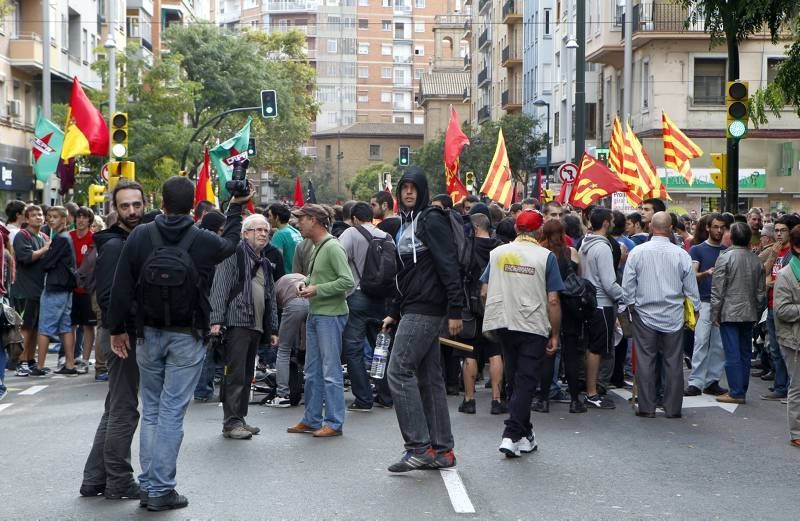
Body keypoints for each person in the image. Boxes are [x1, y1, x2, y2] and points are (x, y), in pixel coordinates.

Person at [106, 176, 250, 511]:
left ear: (162, 204)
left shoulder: (141, 234)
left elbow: (122, 283)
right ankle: (161, 489)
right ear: (193, 206)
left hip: (148, 333)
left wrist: (117, 328)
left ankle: (149, 484)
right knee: (171, 411)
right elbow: (230, 244)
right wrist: (236, 208)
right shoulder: (201, 239)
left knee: (152, 409)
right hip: (187, 335)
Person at [381, 166, 463, 472]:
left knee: (398, 372)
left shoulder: (430, 219)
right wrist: (394, 310)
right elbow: (407, 274)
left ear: (423, 190)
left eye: (414, 187)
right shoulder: (408, 223)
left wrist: (456, 308)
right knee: (429, 379)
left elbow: (448, 264)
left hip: (427, 307)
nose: (409, 192)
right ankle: (443, 450)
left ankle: (418, 447)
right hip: (414, 306)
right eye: (404, 188)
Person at [81, 180, 146, 501]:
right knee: (124, 409)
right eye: (125, 206)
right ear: (114, 210)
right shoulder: (114, 244)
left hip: (122, 331)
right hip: (121, 334)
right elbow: (107, 296)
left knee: (115, 407)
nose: (132, 211)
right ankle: (119, 481)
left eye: (137, 204)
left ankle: (94, 478)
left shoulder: (131, 238)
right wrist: (118, 330)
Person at [482, 210, 563, 457]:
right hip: (532, 324)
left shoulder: (497, 253)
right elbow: (553, 300)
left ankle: (526, 434)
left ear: (517, 229)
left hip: (504, 322)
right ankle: (512, 433)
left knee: (516, 377)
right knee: (526, 380)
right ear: (539, 231)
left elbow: (484, 290)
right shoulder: (545, 256)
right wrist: (555, 334)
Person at [622, 212, 700, 418]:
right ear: (671, 229)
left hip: (644, 313)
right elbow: (691, 289)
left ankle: (647, 407)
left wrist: (629, 306)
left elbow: (628, 286)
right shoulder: (681, 254)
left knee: (646, 361)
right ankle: (673, 408)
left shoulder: (637, 253)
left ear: (650, 228)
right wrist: (696, 311)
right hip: (673, 315)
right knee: (673, 362)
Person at [286, 204, 354, 438]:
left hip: (330, 315)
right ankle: (312, 419)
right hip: (317, 314)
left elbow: (348, 282)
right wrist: (304, 282)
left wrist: (317, 289)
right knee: (312, 371)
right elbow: (318, 276)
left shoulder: (332, 247)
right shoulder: (317, 246)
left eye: (301, 219)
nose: (298, 223)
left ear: (314, 220)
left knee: (330, 371)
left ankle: (334, 422)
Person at [209, 213, 279, 440]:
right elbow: (220, 288)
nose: (262, 234)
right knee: (235, 374)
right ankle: (231, 422)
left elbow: (271, 297)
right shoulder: (234, 255)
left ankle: (240, 418)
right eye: (257, 230)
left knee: (247, 373)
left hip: (255, 324)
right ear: (244, 233)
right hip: (236, 322)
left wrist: (274, 328)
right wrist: (216, 320)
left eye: (265, 230)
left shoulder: (264, 262)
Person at [338, 202, 390, 412]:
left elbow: (338, 259)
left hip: (357, 296)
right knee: (380, 348)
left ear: (354, 218)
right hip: (381, 299)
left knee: (353, 349)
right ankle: (386, 396)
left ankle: (363, 398)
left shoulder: (351, 233)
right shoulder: (385, 236)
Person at [711, 222, 767, 405]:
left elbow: (717, 290)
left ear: (732, 237)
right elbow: (761, 292)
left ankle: (736, 391)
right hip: (749, 311)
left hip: (729, 311)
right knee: (744, 352)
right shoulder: (756, 260)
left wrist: (715, 314)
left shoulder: (725, 258)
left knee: (732, 353)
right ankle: (741, 389)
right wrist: (757, 312)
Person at [458, 213, 505, 415]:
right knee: (495, 352)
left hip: (470, 305)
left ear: (476, 227)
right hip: (494, 304)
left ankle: (469, 400)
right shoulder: (500, 248)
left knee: (469, 351)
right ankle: (496, 400)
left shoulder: (467, 246)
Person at [538, 219, 585, 413]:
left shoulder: (541, 254)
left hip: (549, 307)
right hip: (572, 308)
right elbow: (579, 278)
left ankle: (543, 399)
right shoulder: (571, 252)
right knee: (571, 354)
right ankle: (575, 401)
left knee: (549, 352)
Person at [578, 208, 623, 409]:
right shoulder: (603, 248)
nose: (613, 223)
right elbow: (608, 282)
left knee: (590, 349)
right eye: (611, 220)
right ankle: (592, 392)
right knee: (597, 350)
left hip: (588, 301)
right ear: (606, 223)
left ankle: (589, 388)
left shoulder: (584, 245)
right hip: (602, 304)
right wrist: (626, 297)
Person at [684, 214, 728, 397]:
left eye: (722, 227)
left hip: (721, 303)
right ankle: (696, 381)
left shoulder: (727, 251)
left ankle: (712, 380)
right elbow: (692, 276)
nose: (719, 230)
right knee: (701, 342)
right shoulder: (697, 250)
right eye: (716, 227)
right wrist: (706, 273)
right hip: (703, 301)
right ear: (708, 228)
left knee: (719, 345)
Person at [761, 214, 800, 398]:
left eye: (782, 230)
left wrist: (772, 282)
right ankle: (780, 385)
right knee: (775, 348)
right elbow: (764, 275)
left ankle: (786, 388)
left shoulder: (793, 254)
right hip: (771, 305)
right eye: (776, 230)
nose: (778, 234)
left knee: (786, 348)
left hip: (787, 306)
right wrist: (773, 255)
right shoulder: (773, 250)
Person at [37, 206, 78, 376]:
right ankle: (69, 364)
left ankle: (39, 366)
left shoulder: (60, 239)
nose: (50, 220)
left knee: (45, 327)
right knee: (65, 326)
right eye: (49, 217)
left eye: (55, 217)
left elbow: (46, 263)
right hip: (65, 287)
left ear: (64, 219)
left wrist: (46, 249)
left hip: (56, 287)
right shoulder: (65, 237)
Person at [773, 225, 800, 448]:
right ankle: (796, 432)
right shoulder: (786, 275)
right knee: (798, 387)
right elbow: (782, 310)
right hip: (794, 340)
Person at [70, 206, 98, 374]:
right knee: (71, 325)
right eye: (78, 217)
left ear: (89, 220)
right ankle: (71, 357)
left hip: (87, 289)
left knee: (89, 326)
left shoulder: (94, 238)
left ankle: (85, 360)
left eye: (84, 217)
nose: (80, 220)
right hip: (71, 288)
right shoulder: (69, 237)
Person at [266, 203, 302, 274]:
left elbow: (275, 261)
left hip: (285, 278)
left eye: (270, 216)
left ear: (277, 218)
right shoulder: (296, 231)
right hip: (298, 276)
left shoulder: (279, 235)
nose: (268, 219)